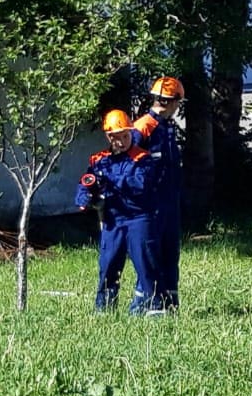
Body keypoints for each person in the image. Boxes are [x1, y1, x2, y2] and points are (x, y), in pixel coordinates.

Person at [76, 110, 159, 314]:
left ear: (131, 132)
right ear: (108, 136)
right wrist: (84, 195)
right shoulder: (99, 160)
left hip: (139, 218)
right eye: (116, 137)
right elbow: (86, 181)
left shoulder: (143, 158)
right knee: (108, 265)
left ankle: (149, 309)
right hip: (113, 220)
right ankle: (104, 310)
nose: (121, 141)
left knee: (145, 266)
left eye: (125, 135)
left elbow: (140, 185)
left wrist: (112, 182)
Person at [132, 76, 184, 313]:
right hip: (149, 205)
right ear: (172, 101)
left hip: (169, 203)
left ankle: (169, 305)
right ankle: (146, 306)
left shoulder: (166, 127)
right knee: (150, 256)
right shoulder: (143, 127)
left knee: (169, 254)